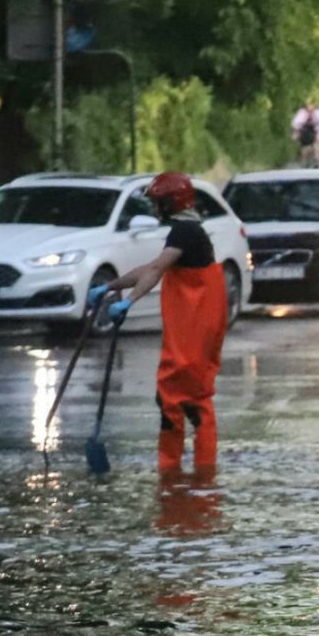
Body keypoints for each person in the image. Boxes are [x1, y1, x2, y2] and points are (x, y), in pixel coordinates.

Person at [89, 172, 225, 475]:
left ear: (171, 203)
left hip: (193, 332)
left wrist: (129, 301)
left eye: (157, 203)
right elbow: (152, 268)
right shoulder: (185, 231)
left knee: (184, 400)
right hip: (194, 331)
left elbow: (156, 268)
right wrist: (112, 288)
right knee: (182, 399)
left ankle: (183, 474)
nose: (154, 209)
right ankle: (187, 472)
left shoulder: (185, 232)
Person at [291, 100, 319, 165]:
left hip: (315, 130)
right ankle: (298, 153)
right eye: (308, 105)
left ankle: (316, 157)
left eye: (311, 105)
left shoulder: (318, 112)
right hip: (304, 130)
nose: (309, 106)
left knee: (316, 141)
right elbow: (295, 123)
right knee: (296, 136)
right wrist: (299, 127)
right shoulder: (302, 112)